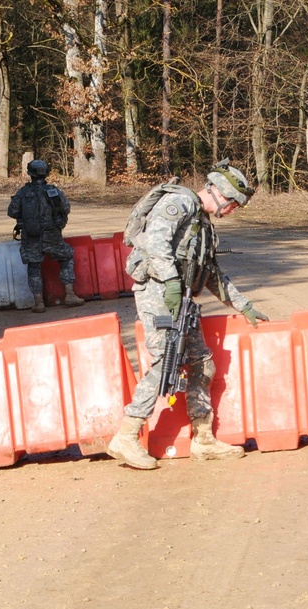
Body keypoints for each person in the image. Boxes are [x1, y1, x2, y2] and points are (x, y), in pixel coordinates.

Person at [107, 160, 270, 470]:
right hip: (158, 291)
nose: (233, 211)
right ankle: (126, 435)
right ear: (221, 193)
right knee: (163, 361)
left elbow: (211, 275)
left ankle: (203, 438)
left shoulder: (203, 225)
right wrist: (169, 281)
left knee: (201, 362)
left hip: (181, 299)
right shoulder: (178, 202)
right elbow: (156, 243)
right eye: (234, 204)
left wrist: (243, 305)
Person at [7, 159, 85, 312]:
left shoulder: (23, 192)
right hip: (52, 236)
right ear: (46, 173)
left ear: (30, 174)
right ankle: (69, 294)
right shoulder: (53, 191)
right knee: (66, 257)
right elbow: (65, 208)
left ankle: (38, 303)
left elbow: (12, 212)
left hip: (31, 237)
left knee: (33, 267)